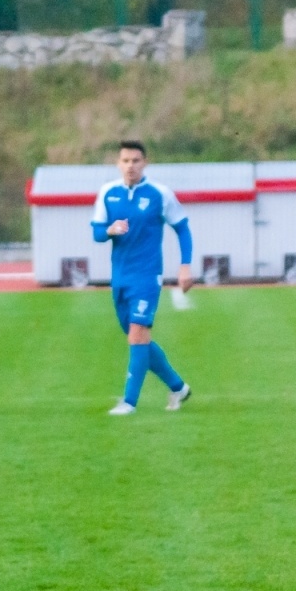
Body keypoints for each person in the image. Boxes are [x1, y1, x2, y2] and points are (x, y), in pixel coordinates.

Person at [90, 140, 193, 415]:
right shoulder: (108, 193)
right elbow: (97, 234)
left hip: (147, 276)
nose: (130, 166)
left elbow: (182, 228)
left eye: (135, 160)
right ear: (118, 163)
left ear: (144, 162)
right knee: (138, 338)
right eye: (125, 161)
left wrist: (185, 266)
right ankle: (178, 387)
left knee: (137, 335)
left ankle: (129, 402)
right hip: (120, 277)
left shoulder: (160, 194)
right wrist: (110, 229)